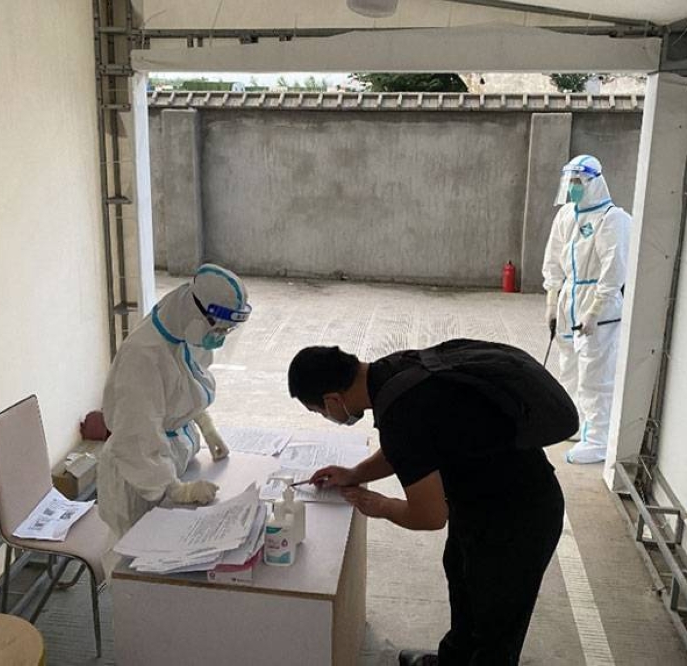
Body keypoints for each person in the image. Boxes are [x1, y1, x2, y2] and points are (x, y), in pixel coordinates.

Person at [288, 342, 565, 666]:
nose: (326, 417)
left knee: (495, 630)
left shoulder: (400, 412)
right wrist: (355, 474)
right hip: (481, 503)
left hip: (518, 518)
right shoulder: (392, 371)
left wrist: (381, 505)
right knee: (464, 587)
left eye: (320, 411)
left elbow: (430, 515)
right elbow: (411, 451)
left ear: (333, 399)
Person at [97, 264, 252, 537]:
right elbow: (135, 439)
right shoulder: (143, 356)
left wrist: (206, 426)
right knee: (132, 566)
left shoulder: (184, 332)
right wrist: (178, 490)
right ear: (198, 313)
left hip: (172, 463)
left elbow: (184, 390)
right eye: (219, 329)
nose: (219, 338)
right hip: (139, 479)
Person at [542, 154, 631, 465]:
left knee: (596, 374)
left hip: (599, 308)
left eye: (579, 182)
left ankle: (598, 440)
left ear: (595, 182)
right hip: (570, 299)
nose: (574, 189)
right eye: (571, 183)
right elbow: (553, 260)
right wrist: (552, 301)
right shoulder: (567, 215)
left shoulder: (613, 219)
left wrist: (595, 310)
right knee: (569, 366)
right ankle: (577, 422)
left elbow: (614, 269)